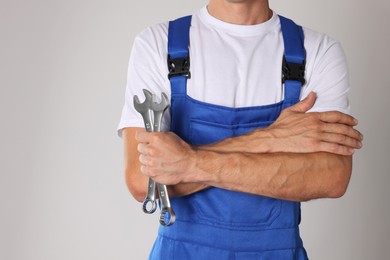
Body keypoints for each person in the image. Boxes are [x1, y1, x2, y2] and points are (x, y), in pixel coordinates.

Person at [118, 0, 363, 259]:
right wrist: (269, 138)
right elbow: (141, 182)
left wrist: (188, 163)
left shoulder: (318, 51)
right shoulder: (158, 44)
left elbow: (331, 176)